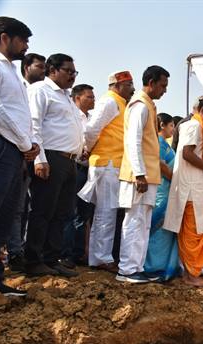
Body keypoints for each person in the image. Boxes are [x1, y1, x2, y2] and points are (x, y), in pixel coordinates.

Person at [26, 53, 83, 278]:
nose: (72, 76)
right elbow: (34, 125)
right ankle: (33, 260)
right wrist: (39, 159)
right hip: (50, 157)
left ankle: (51, 259)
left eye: (74, 72)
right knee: (43, 210)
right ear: (52, 70)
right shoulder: (40, 90)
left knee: (62, 213)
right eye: (68, 71)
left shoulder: (66, 96)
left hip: (69, 161)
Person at [0, 17, 39, 296]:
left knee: (4, 217)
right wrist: (25, 143)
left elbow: (19, 113)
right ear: (5, 38)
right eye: (22, 40)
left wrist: (29, 143)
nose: (26, 46)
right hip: (2, 146)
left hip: (14, 150)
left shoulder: (11, 70)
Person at [163, 95, 203, 286]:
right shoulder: (192, 126)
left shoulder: (200, 128)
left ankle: (192, 272)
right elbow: (187, 154)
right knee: (193, 233)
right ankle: (190, 275)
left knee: (198, 231)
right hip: (190, 188)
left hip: (198, 185)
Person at [116, 65, 169, 283]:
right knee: (134, 221)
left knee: (143, 223)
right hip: (139, 176)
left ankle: (136, 267)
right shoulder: (140, 105)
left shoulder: (148, 105)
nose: (165, 90)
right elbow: (133, 141)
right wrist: (139, 173)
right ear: (152, 83)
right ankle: (126, 269)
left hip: (148, 175)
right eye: (163, 86)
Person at [78, 70, 135, 273]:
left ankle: (100, 256)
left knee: (108, 212)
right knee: (106, 213)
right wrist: (88, 149)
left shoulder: (121, 103)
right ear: (117, 86)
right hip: (107, 163)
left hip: (114, 164)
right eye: (129, 85)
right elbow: (91, 129)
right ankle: (101, 258)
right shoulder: (109, 101)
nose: (132, 89)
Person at [6, 52, 45, 271]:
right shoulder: (21, 89)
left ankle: (16, 251)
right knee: (12, 208)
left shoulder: (34, 91)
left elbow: (32, 126)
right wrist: (25, 145)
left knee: (21, 208)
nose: (43, 70)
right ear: (26, 67)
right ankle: (13, 252)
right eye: (39, 66)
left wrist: (33, 149)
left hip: (27, 154)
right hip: (13, 150)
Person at [61, 83, 95, 267]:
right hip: (74, 166)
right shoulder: (71, 115)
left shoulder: (93, 118)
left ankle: (78, 253)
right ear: (77, 98)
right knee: (69, 211)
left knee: (83, 213)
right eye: (89, 97)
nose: (93, 100)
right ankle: (65, 254)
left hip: (89, 170)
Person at [143, 113, 179, 280]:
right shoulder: (159, 142)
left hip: (168, 190)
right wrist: (175, 178)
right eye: (171, 125)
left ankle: (164, 265)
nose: (173, 129)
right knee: (157, 228)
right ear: (162, 125)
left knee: (165, 229)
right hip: (162, 190)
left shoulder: (167, 144)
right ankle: (152, 266)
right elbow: (160, 164)